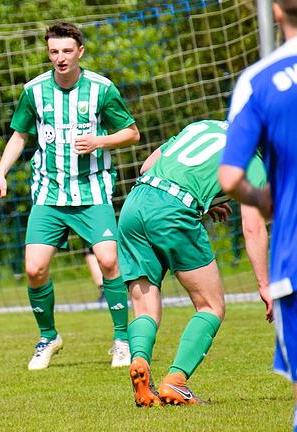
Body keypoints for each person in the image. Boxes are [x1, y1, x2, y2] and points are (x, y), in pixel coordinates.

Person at [0, 21, 140, 369]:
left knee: (108, 261)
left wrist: (99, 141)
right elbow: (20, 136)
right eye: (54, 51)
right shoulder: (34, 90)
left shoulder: (101, 89)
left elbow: (132, 134)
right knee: (34, 269)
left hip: (92, 190)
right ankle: (48, 337)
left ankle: (121, 339)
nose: (60, 58)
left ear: (80, 52)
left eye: (67, 51)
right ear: (48, 53)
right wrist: (1, 174)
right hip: (49, 193)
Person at [122, 120, 270, 407]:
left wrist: (205, 196)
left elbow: (146, 166)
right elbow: (252, 227)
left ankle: (140, 360)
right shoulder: (253, 160)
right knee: (211, 305)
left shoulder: (202, 126)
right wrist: (264, 285)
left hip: (135, 203)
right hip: (173, 212)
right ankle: (176, 382)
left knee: (144, 308)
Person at [219, 0, 297, 428]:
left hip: (294, 256)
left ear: (276, 13)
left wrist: (264, 198)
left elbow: (230, 178)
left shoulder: (258, 81)